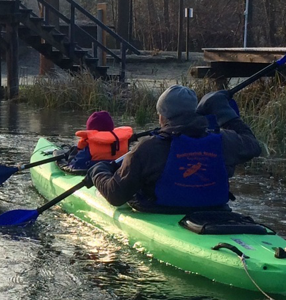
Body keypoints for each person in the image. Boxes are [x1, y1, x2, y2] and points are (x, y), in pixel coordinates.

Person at [85, 85, 262, 213]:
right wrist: (224, 111)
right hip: (215, 212)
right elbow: (253, 146)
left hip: (161, 211)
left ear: (162, 117)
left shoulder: (148, 148)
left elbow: (115, 195)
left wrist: (98, 171)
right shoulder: (224, 140)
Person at [66, 111, 134, 171]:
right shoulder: (121, 143)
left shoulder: (89, 148)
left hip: (95, 175)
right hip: (117, 172)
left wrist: (72, 155)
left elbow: (75, 166)